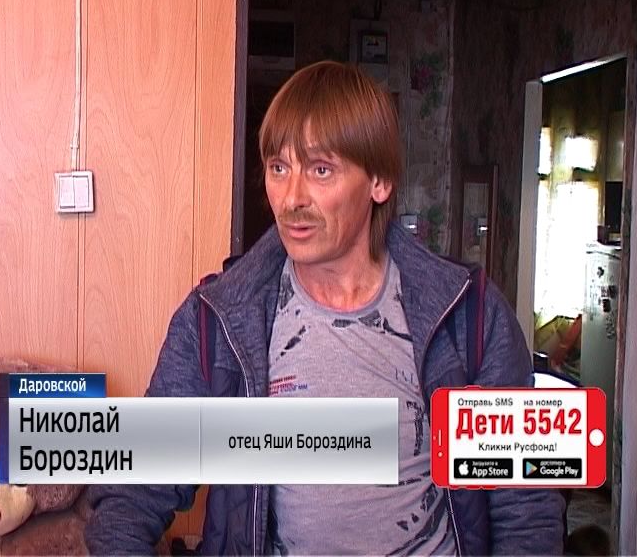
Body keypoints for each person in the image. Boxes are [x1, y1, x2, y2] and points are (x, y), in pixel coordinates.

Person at [85, 61, 565, 555]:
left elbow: (526, 507)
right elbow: (132, 495)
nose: (292, 199)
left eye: (320, 170)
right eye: (279, 168)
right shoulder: (217, 319)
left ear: (379, 182)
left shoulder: (469, 315)